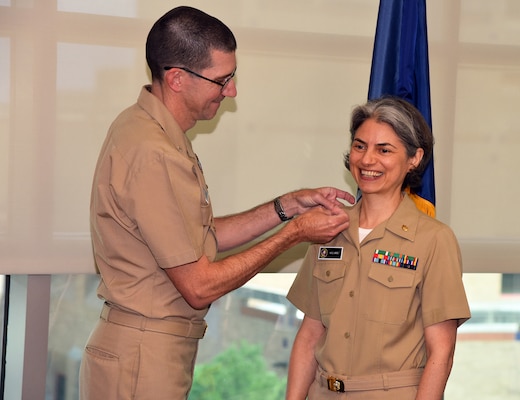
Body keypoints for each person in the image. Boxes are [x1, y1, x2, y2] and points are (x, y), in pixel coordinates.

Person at [79, 6, 355, 400]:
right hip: (143, 357)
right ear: (176, 78)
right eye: (222, 80)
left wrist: (288, 206)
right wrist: (294, 234)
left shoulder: (146, 128)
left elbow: (198, 238)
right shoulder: (154, 152)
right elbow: (198, 285)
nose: (232, 91)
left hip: (145, 350)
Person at [286, 96, 471, 399]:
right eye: (360, 146)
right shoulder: (329, 229)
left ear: (414, 158)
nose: (367, 160)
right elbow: (309, 335)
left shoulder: (434, 239)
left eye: (384, 150)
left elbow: (442, 350)